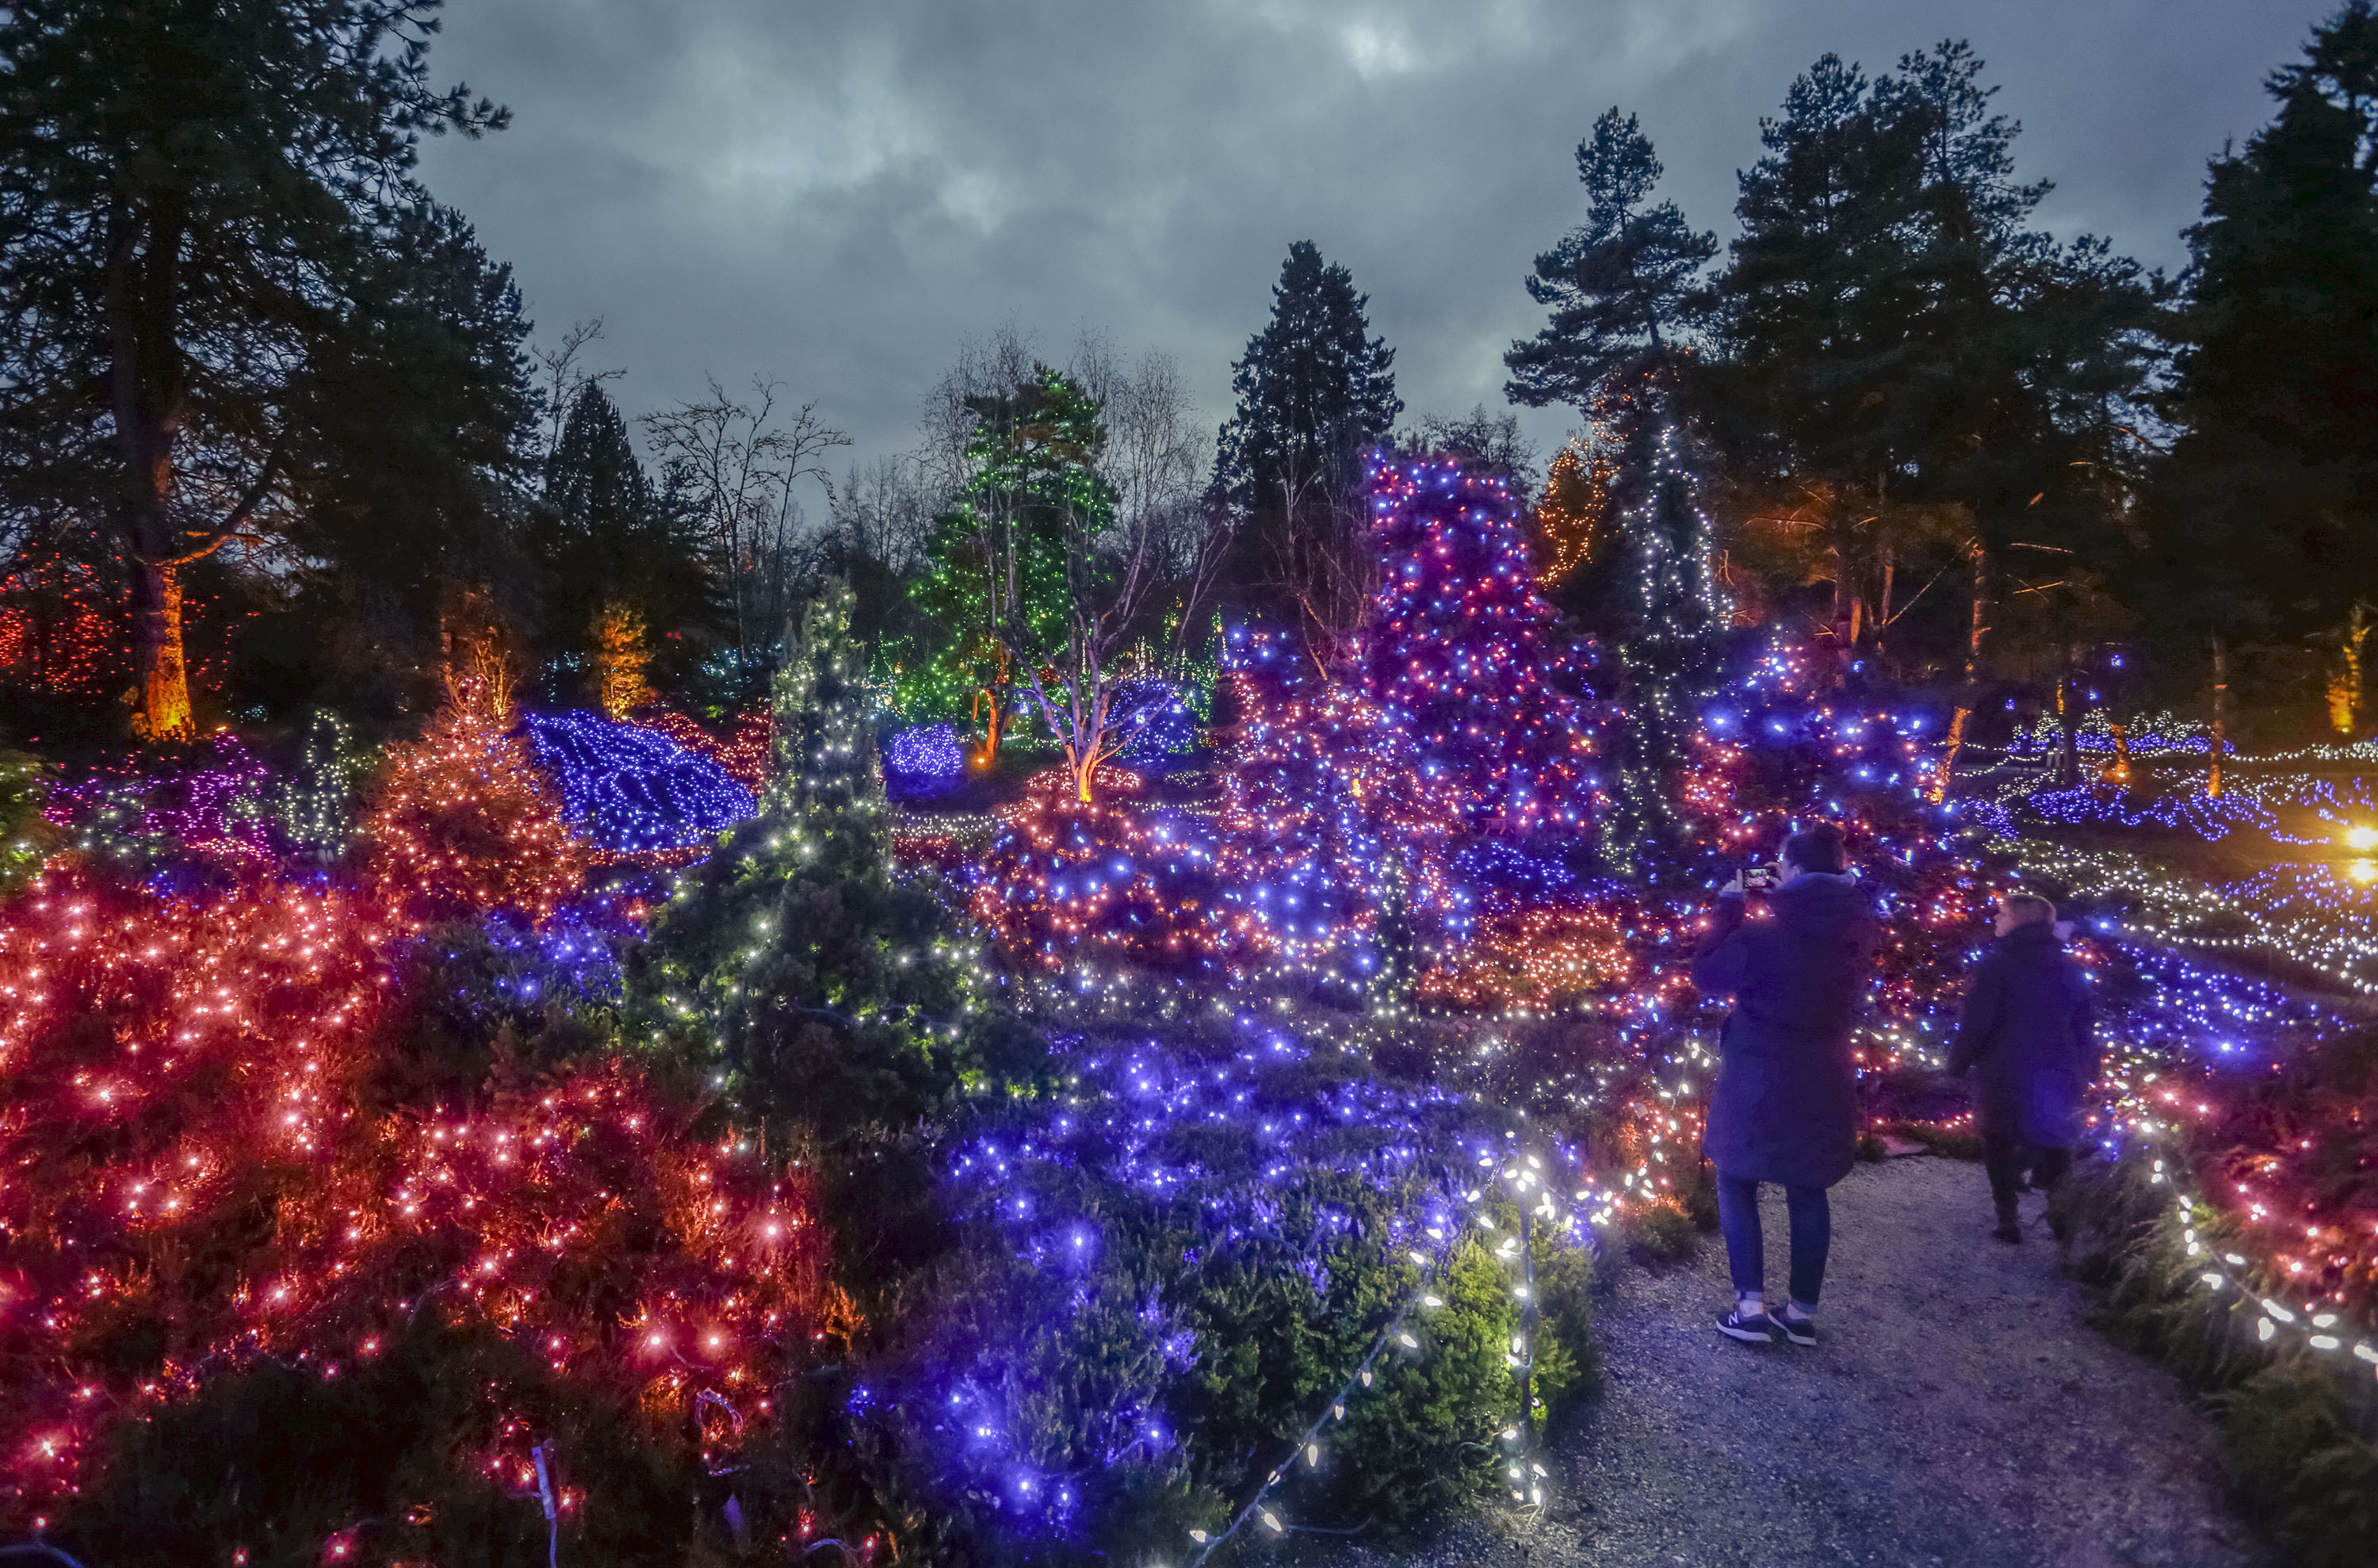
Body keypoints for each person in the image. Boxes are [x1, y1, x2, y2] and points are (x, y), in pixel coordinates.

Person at [1690, 822, 1879, 1348]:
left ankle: (1748, 1307)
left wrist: (1730, 905)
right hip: (1824, 1072)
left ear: (1791, 869)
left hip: (1758, 1072)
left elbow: (1707, 975)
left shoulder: (1763, 934)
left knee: (1736, 1179)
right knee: (1808, 1187)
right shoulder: (1860, 930)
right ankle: (1800, 1314)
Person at [1949, 892, 2097, 1244]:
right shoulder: (2070, 968)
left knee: (1998, 1141)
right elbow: (2084, 1026)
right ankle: (2062, 1222)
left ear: (2018, 921)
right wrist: (2088, 1071)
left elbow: (1976, 1022)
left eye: (2001, 914)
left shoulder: (1996, 965)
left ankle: (2008, 1219)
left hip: (2004, 1069)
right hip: (2058, 1070)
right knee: (2055, 1143)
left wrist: (1957, 1063)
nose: (1996, 919)